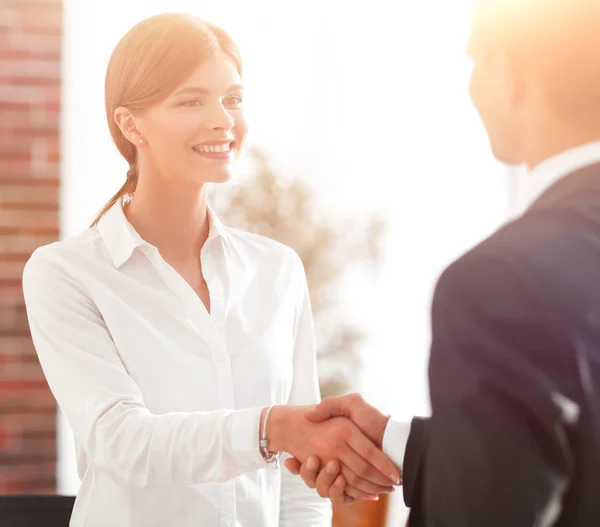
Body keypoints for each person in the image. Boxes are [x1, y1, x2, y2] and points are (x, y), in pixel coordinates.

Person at [21, 13, 400, 527]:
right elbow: (120, 441)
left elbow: (298, 479)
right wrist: (271, 428)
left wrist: (292, 438)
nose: (222, 118)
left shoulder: (277, 271)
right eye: (190, 100)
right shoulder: (65, 274)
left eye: (233, 98)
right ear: (131, 124)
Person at [286, 1, 600, 525]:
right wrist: (400, 442)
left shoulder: (502, 282)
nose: (472, 87)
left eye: (476, 61)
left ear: (512, 72)